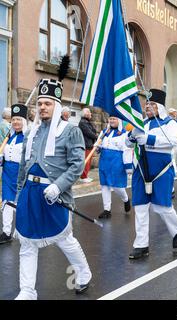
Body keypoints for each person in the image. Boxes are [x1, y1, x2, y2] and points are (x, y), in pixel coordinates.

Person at [14, 61, 92, 299]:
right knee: (26, 242)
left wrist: (58, 186)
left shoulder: (71, 131)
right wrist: (18, 195)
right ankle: (27, 291)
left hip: (54, 196)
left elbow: (77, 165)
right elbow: (23, 167)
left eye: (47, 103)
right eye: (39, 104)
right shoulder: (31, 131)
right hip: (29, 194)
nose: (42, 107)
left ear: (57, 106)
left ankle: (84, 273)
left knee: (64, 239)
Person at [126, 89, 177, 260]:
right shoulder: (140, 123)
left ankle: (176, 230)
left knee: (162, 207)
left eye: (152, 104)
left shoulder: (169, 123)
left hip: (161, 171)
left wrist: (149, 139)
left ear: (160, 107)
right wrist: (131, 139)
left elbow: (173, 141)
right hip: (141, 170)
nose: (148, 107)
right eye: (147, 104)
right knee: (141, 207)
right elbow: (127, 144)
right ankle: (141, 245)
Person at [0, 104, 28, 244]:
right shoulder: (9, 137)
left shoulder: (28, 138)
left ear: (24, 121)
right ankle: (6, 232)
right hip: (7, 174)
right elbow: (4, 155)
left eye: (19, 119)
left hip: (20, 175)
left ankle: (27, 230)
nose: (16, 122)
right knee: (6, 202)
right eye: (14, 119)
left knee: (21, 204)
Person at [97, 117, 132, 219]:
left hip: (117, 161)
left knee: (117, 186)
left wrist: (128, 165)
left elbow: (127, 150)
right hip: (104, 160)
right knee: (104, 185)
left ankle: (125, 199)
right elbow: (99, 144)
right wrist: (98, 147)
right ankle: (107, 210)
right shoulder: (104, 132)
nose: (111, 121)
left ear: (119, 121)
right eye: (110, 119)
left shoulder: (125, 133)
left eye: (114, 119)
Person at [78, 108, 97, 183]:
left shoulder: (86, 122)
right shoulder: (83, 122)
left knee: (88, 161)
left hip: (89, 144)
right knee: (86, 161)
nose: (90, 114)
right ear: (85, 114)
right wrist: (97, 137)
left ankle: (85, 176)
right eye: (89, 112)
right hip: (86, 145)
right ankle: (83, 177)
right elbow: (89, 133)